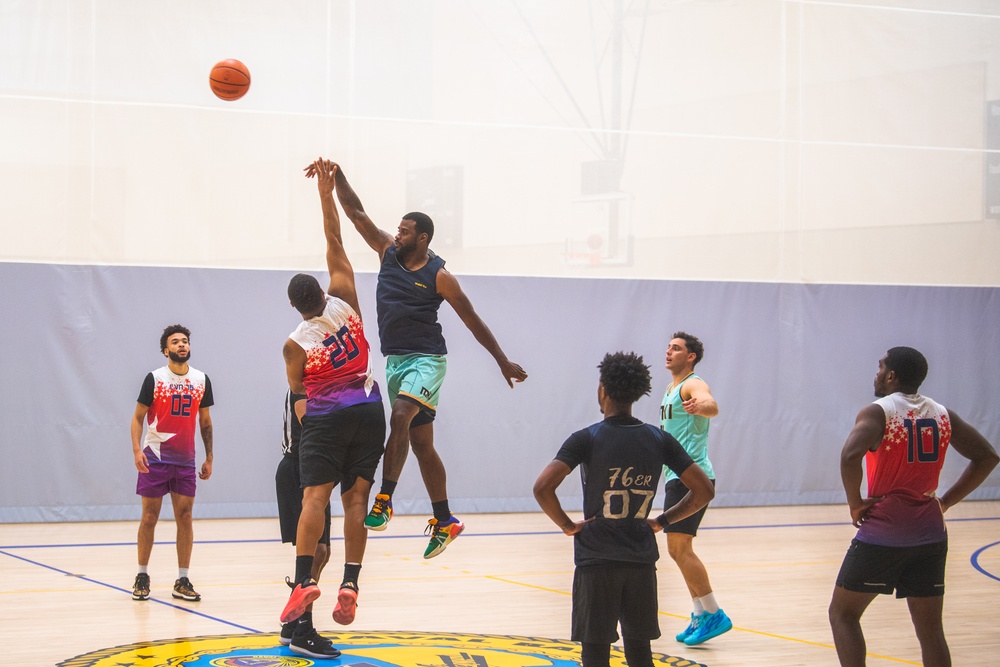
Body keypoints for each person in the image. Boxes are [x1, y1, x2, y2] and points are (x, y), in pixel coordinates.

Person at [326, 162, 527, 559]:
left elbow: (472, 320)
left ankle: (384, 500)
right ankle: (445, 519)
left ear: (422, 238)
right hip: (397, 361)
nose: (395, 233)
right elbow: (356, 213)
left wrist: (501, 360)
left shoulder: (439, 276)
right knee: (421, 445)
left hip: (428, 360)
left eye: (403, 231)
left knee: (400, 416)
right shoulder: (387, 252)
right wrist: (337, 177)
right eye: (397, 229)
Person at [533, 351, 715, 667]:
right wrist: (662, 520)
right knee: (639, 652)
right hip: (640, 558)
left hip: (596, 559)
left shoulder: (585, 438)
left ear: (603, 390)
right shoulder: (659, 439)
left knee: (595, 652)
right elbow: (704, 490)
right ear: (638, 393)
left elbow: (542, 487)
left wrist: (567, 525)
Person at [278, 158, 387, 660]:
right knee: (356, 503)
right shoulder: (345, 297)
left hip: (323, 420)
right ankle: (351, 585)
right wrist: (325, 191)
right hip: (367, 410)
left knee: (313, 505)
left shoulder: (294, 344)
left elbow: (299, 399)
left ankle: (303, 584)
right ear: (320, 293)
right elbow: (335, 238)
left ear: (297, 309)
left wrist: (309, 437)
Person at [829, 346, 998, 667]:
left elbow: (850, 456)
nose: (876, 373)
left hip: (883, 534)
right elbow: (987, 457)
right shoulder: (942, 413)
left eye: (880, 367)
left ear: (891, 375)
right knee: (931, 631)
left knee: (843, 615)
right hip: (931, 535)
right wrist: (945, 502)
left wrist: (855, 504)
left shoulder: (878, 411)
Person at [130, 324, 214, 603]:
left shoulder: (201, 380)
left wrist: (209, 456)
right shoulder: (155, 378)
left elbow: (205, 421)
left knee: (185, 517)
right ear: (166, 350)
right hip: (154, 458)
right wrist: (136, 451)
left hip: (185, 462)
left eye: (185, 341)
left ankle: (183, 579)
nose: (182, 345)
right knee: (149, 518)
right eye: (176, 342)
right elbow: (137, 417)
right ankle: (142, 574)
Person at [659, 331, 732, 645]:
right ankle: (700, 613)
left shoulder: (691, 383)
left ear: (690, 357)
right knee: (677, 549)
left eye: (676, 349)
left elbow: (709, 402)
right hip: (675, 477)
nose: (669, 351)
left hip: (692, 476)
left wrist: (704, 405)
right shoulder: (670, 388)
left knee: (680, 547)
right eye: (669, 347)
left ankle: (714, 613)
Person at [275, 389, 332, 647]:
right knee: (310, 551)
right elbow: (309, 422)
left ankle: (294, 622)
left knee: (322, 551)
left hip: (317, 469)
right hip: (298, 467)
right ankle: (302, 628)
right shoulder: (301, 384)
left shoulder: (327, 381)